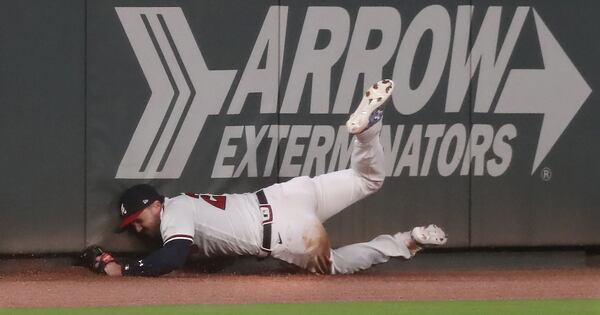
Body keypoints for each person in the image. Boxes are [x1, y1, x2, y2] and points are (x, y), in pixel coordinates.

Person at [99, 79, 447, 276]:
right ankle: (369, 132)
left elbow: (172, 257)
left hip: (288, 232)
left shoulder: (174, 215)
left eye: (137, 218)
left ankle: (404, 243)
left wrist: (126, 270)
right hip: (289, 194)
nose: (135, 227)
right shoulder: (186, 206)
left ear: (156, 204)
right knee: (368, 179)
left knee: (334, 265)